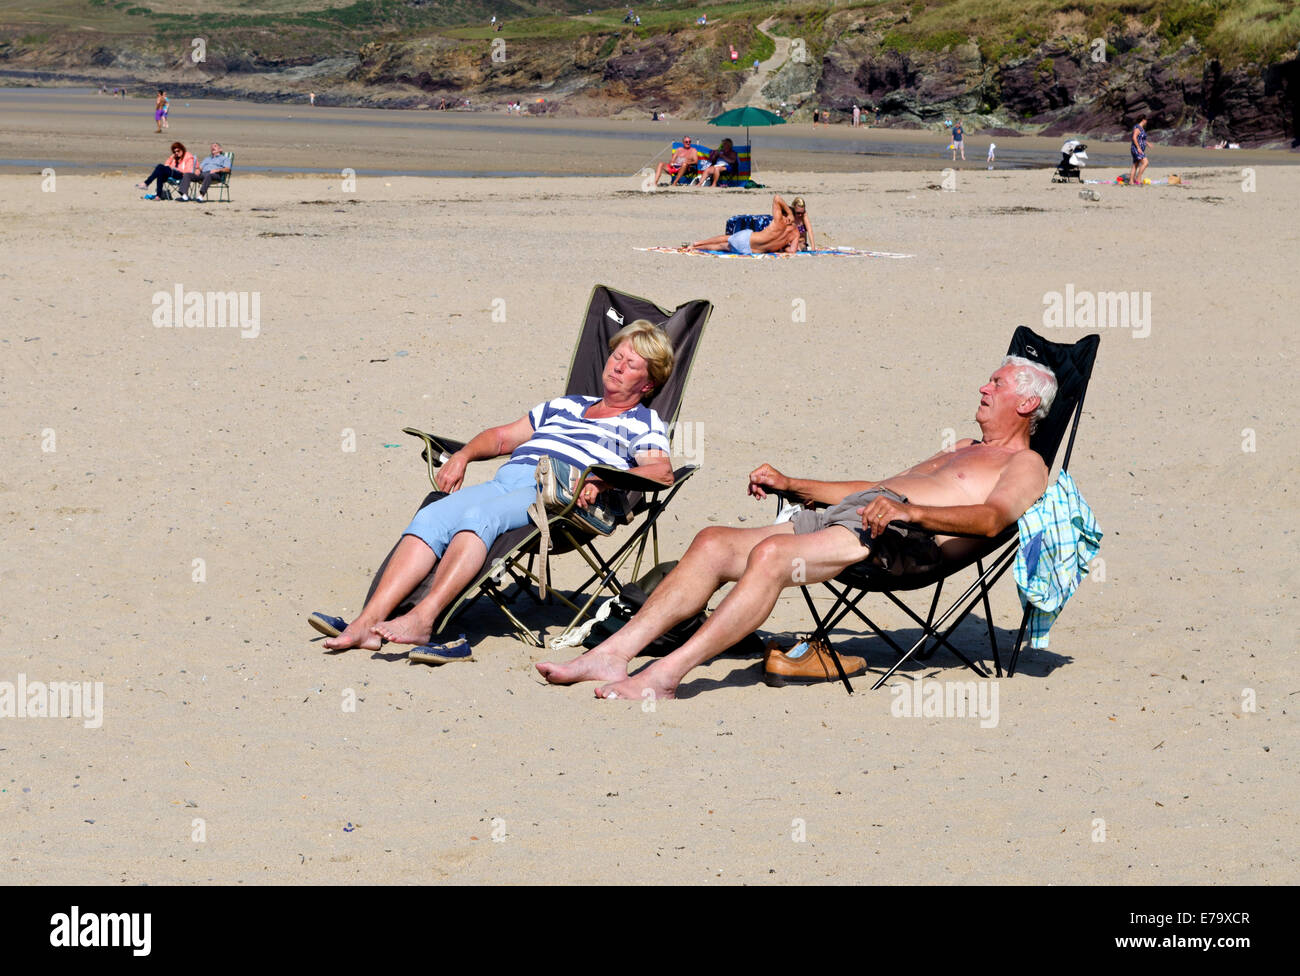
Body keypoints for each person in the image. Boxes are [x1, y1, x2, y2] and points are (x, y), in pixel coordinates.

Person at [537, 356, 1057, 699]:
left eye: (997, 383)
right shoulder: (965, 447)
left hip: (901, 542)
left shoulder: (1026, 466)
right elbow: (877, 484)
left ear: (1028, 403)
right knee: (713, 541)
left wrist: (912, 512)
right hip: (863, 515)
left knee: (770, 559)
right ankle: (612, 655)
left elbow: (992, 520)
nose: (983, 387)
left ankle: (665, 675)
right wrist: (795, 483)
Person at [314, 321, 676, 652]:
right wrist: (464, 455)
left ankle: (424, 618)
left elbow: (661, 473)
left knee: (479, 516)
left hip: (557, 500)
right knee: (433, 516)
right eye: (617, 356)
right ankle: (367, 622)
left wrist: (601, 478)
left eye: (631, 365)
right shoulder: (566, 405)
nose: (617, 366)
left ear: (647, 384)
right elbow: (504, 438)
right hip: (510, 478)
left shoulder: (642, 422)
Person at [687, 194, 802, 254]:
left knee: (727, 238)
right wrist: (783, 247)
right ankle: (697, 248)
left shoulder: (779, 222)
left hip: (746, 239)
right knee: (722, 247)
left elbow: (776, 198)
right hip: (749, 250)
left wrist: (788, 213)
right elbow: (792, 251)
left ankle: (697, 244)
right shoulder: (796, 233)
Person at [1128, 116, 1149, 186]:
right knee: (1145, 162)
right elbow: (1134, 137)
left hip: (1137, 149)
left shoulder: (1141, 128)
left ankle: (1131, 181)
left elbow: (1141, 138)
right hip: (1136, 149)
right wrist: (1138, 148)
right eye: (1146, 120)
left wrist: (1147, 143)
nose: (1147, 121)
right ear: (1143, 120)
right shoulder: (1138, 128)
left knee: (1135, 165)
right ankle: (1138, 179)